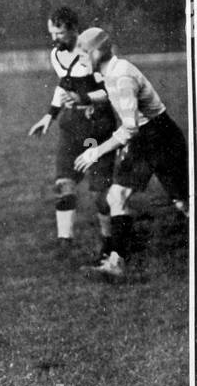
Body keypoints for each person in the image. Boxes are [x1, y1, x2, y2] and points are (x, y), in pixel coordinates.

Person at [73, 27, 189, 280]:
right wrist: (91, 101)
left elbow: (129, 128)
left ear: (96, 52)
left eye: (82, 55)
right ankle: (116, 262)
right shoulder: (111, 71)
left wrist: (96, 152)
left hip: (161, 139)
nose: (79, 61)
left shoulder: (121, 76)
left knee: (184, 203)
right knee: (117, 196)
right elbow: (113, 96)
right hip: (143, 139)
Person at [27, 7, 115, 255]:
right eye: (52, 33)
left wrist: (83, 97)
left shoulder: (94, 54)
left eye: (60, 33)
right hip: (71, 128)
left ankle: (109, 243)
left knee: (100, 193)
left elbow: (110, 91)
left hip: (98, 129)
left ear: (75, 30)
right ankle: (64, 243)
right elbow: (63, 85)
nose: (55, 39)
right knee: (63, 185)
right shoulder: (56, 54)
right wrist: (49, 115)